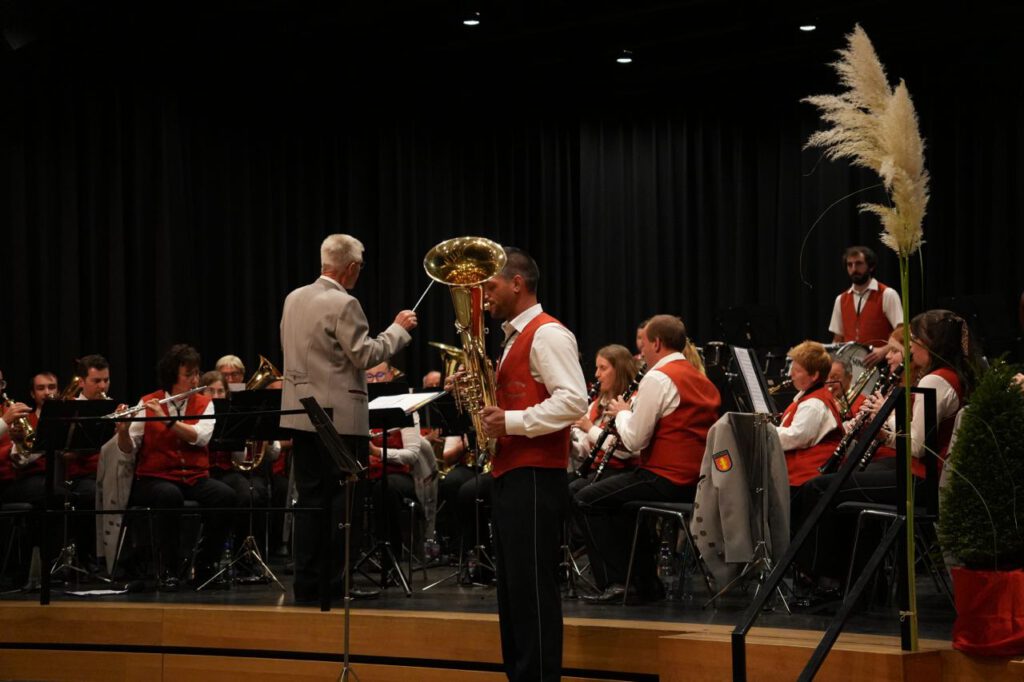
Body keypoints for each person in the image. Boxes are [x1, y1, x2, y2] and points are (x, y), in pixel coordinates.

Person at [796, 310, 980, 591]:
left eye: (915, 341)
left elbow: (917, 446)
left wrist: (884, 425)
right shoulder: (956, 375)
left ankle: (826, 579)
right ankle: (863, 583)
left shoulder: (935, 380)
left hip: (921, 480)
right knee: (852, 476)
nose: (910, 348)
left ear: (931, 344)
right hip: (928, 477)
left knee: (819, 488)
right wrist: (882, 432)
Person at [279, 233, 416, 604]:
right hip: (339, 421)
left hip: (300, 414)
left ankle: (306, 586)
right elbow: (365, 355)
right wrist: (398, 330)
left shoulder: (293, 298)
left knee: (309, 503)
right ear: (352, 267)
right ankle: (334, 585)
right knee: (343, 504)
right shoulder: (345, 303)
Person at [474, 246, 587, 682]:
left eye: (491, 285)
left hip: (536, 476)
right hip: (512, 472)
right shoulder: (514, 337)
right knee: (514, 588)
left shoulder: (548, 333)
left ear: (517, 283)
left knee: (533, 589)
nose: (485, 294)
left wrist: (511, 420)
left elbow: (574, 400)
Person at [576, 315, 720, 604]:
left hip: (664, 478)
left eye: (643, 345)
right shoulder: (700, 379)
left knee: (585, 498)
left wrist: (623, 413)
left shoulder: (658, 377)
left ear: (656, 343)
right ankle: (645, 582)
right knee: (621, 504)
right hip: (697, 482)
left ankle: (616, 582)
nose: (640, 353)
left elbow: (634, 440)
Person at [117, 344, 235, 591]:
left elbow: (199, 437)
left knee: (226, 496)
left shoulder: (205, 403)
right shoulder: (148, 402)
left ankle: (205, 566)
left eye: (196, 373)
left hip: (193, 477)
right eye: (188, 375)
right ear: (173, 376)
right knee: (169, 495)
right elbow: (129, 449)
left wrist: (168, 420)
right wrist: (123, 431)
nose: (195, 379)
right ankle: (167, 570)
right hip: (154, 478)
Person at [570, 344, 640, 493]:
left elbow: (626, 450)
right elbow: (586, 452)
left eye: (603, 368)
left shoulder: (634, 401)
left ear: (619, 370)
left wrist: (590, 428)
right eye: (597, 368)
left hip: (624, 470)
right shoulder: (595, 405)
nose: (596, 374)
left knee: (574, 491)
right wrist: (569, 444)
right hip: (597, 469)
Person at [775, 341, 844, 489]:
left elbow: (797, 437)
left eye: (797, 370)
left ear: (814, 375)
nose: (791, 374)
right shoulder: (810, 398)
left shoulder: (814, 404)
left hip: (805, 479)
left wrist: (765, 432)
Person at [828, 246, 903, 366]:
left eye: (858, 264)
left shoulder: (887, 294)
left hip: (881, 366)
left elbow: (902, 333)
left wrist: (883, 351)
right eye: (849, 265)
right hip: (850, 369)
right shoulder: (841, 299)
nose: (854, 269)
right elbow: (838, 339)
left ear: (871, 266)